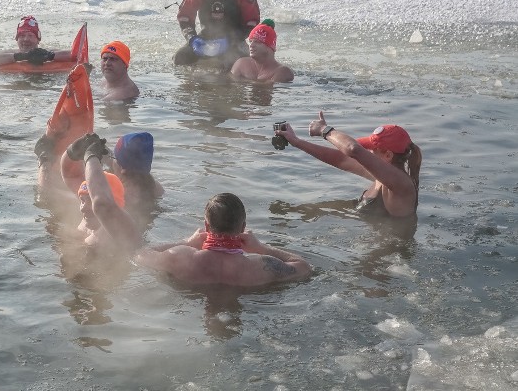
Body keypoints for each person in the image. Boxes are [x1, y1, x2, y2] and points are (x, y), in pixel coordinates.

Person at [135, 193, 312, 287]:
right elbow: (303, 266)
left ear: (206, 226)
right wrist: (261, 248)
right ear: (243, 227)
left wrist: (187, 243)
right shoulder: (262, 265)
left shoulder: (181, 257)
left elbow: (140, 255)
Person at [275, 112, 422, 218]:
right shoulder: (382, 175)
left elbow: (353, 149)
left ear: (388, 155)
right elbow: (341, 159)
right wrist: (296, 142)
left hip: (391, 257)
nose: (368, 151)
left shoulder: (401, 184)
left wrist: (324, 130)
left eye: (372, 149)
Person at [64, 133, 142, 253]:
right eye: (82, 200)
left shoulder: (122, 229)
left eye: (90, 200)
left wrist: (90, 157)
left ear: (114, 202)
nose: (83, 208)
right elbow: (70, 175)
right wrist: (72, 150)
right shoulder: (87, 221)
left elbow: (102, 204)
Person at [0, 16, 73, 70]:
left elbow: (75, 55)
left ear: (38, 39)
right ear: (17, 39)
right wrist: (22, 56)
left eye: (30, 36)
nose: (26, 39)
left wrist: (48, 56)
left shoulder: (48, 52)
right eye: (22, 36)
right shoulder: (10, 53)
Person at [230, 19, 294, 83]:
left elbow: (266, 89)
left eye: (257, 42)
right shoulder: (241, 64)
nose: (251, 45)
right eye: (250, 41)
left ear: (270, 46)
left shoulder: (283, 72)